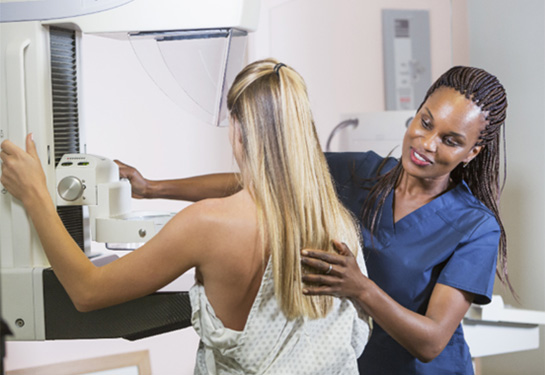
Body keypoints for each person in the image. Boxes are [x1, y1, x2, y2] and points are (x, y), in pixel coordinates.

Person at [115, 65, 511, 374]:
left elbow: (431, 342)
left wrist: (360, 288)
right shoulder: (361, 172)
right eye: (426, 122)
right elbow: (259, 181)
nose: (427, 143)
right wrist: (150, 187)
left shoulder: (475, 227)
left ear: (472, 152)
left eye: (451, 140)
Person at [0, 59, 369, 375]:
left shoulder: (207, 225)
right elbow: (254, 189)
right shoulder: (338, 225)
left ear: (238, 129)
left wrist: (35, 196)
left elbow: (87, 292)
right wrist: (151, 187)